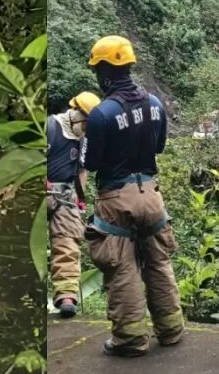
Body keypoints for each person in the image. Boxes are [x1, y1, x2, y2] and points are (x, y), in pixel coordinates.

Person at [81, 35, 184, 357]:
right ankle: (170, 330)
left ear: (105, 72)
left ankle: (130, 339)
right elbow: (159, 147)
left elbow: (91, 162)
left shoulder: (101, 114)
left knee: (122, 269)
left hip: (116, 198)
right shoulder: (155, 105)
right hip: (151, 193)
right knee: (158, 262)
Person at [46, 91, 101, 318]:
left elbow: (81, 170)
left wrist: (80, 200)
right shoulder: (50, 127)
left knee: (68, 243)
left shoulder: (84, 140)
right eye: (87, 125)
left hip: (66, 195)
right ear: (77, 115)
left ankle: (66, 295)